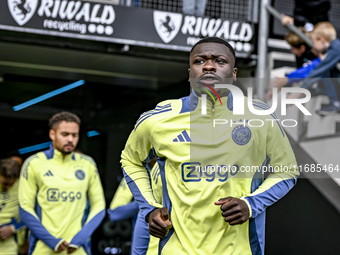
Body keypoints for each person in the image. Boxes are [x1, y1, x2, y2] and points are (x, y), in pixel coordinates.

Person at [121, 37, 299, 254]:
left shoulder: (260, 118)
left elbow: (287, 170)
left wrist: (252, 204)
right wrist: (149, 208)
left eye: (220, 61)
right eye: (199, 61)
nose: (208, 66)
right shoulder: (158, 120)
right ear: (190, 74)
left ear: (234, 75)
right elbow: (130, 161)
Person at [18, 111, 106, 255]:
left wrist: (79, 239)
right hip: (43, 248)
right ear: (52, 134)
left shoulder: (88, 164)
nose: (70, 139)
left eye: (74, 135)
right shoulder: (34, 163)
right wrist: (52, 241)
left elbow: (99, 206)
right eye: (65, 134)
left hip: (77, 248)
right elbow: (25, 209)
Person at [288, 22, 340, 115]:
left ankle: (335, 103)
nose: (313, 47)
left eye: (314, 42)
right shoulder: (333, 48)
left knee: (323, 71)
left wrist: (297, 94)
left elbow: (318, 71)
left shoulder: (336, 48)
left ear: (321, 40)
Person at [0, 158, 25, 255]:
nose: (8, 188)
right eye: (5, 183)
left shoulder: (23, 187)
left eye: (11, 184)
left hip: (8, 244)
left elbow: (33, 213)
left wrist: (13, 228)